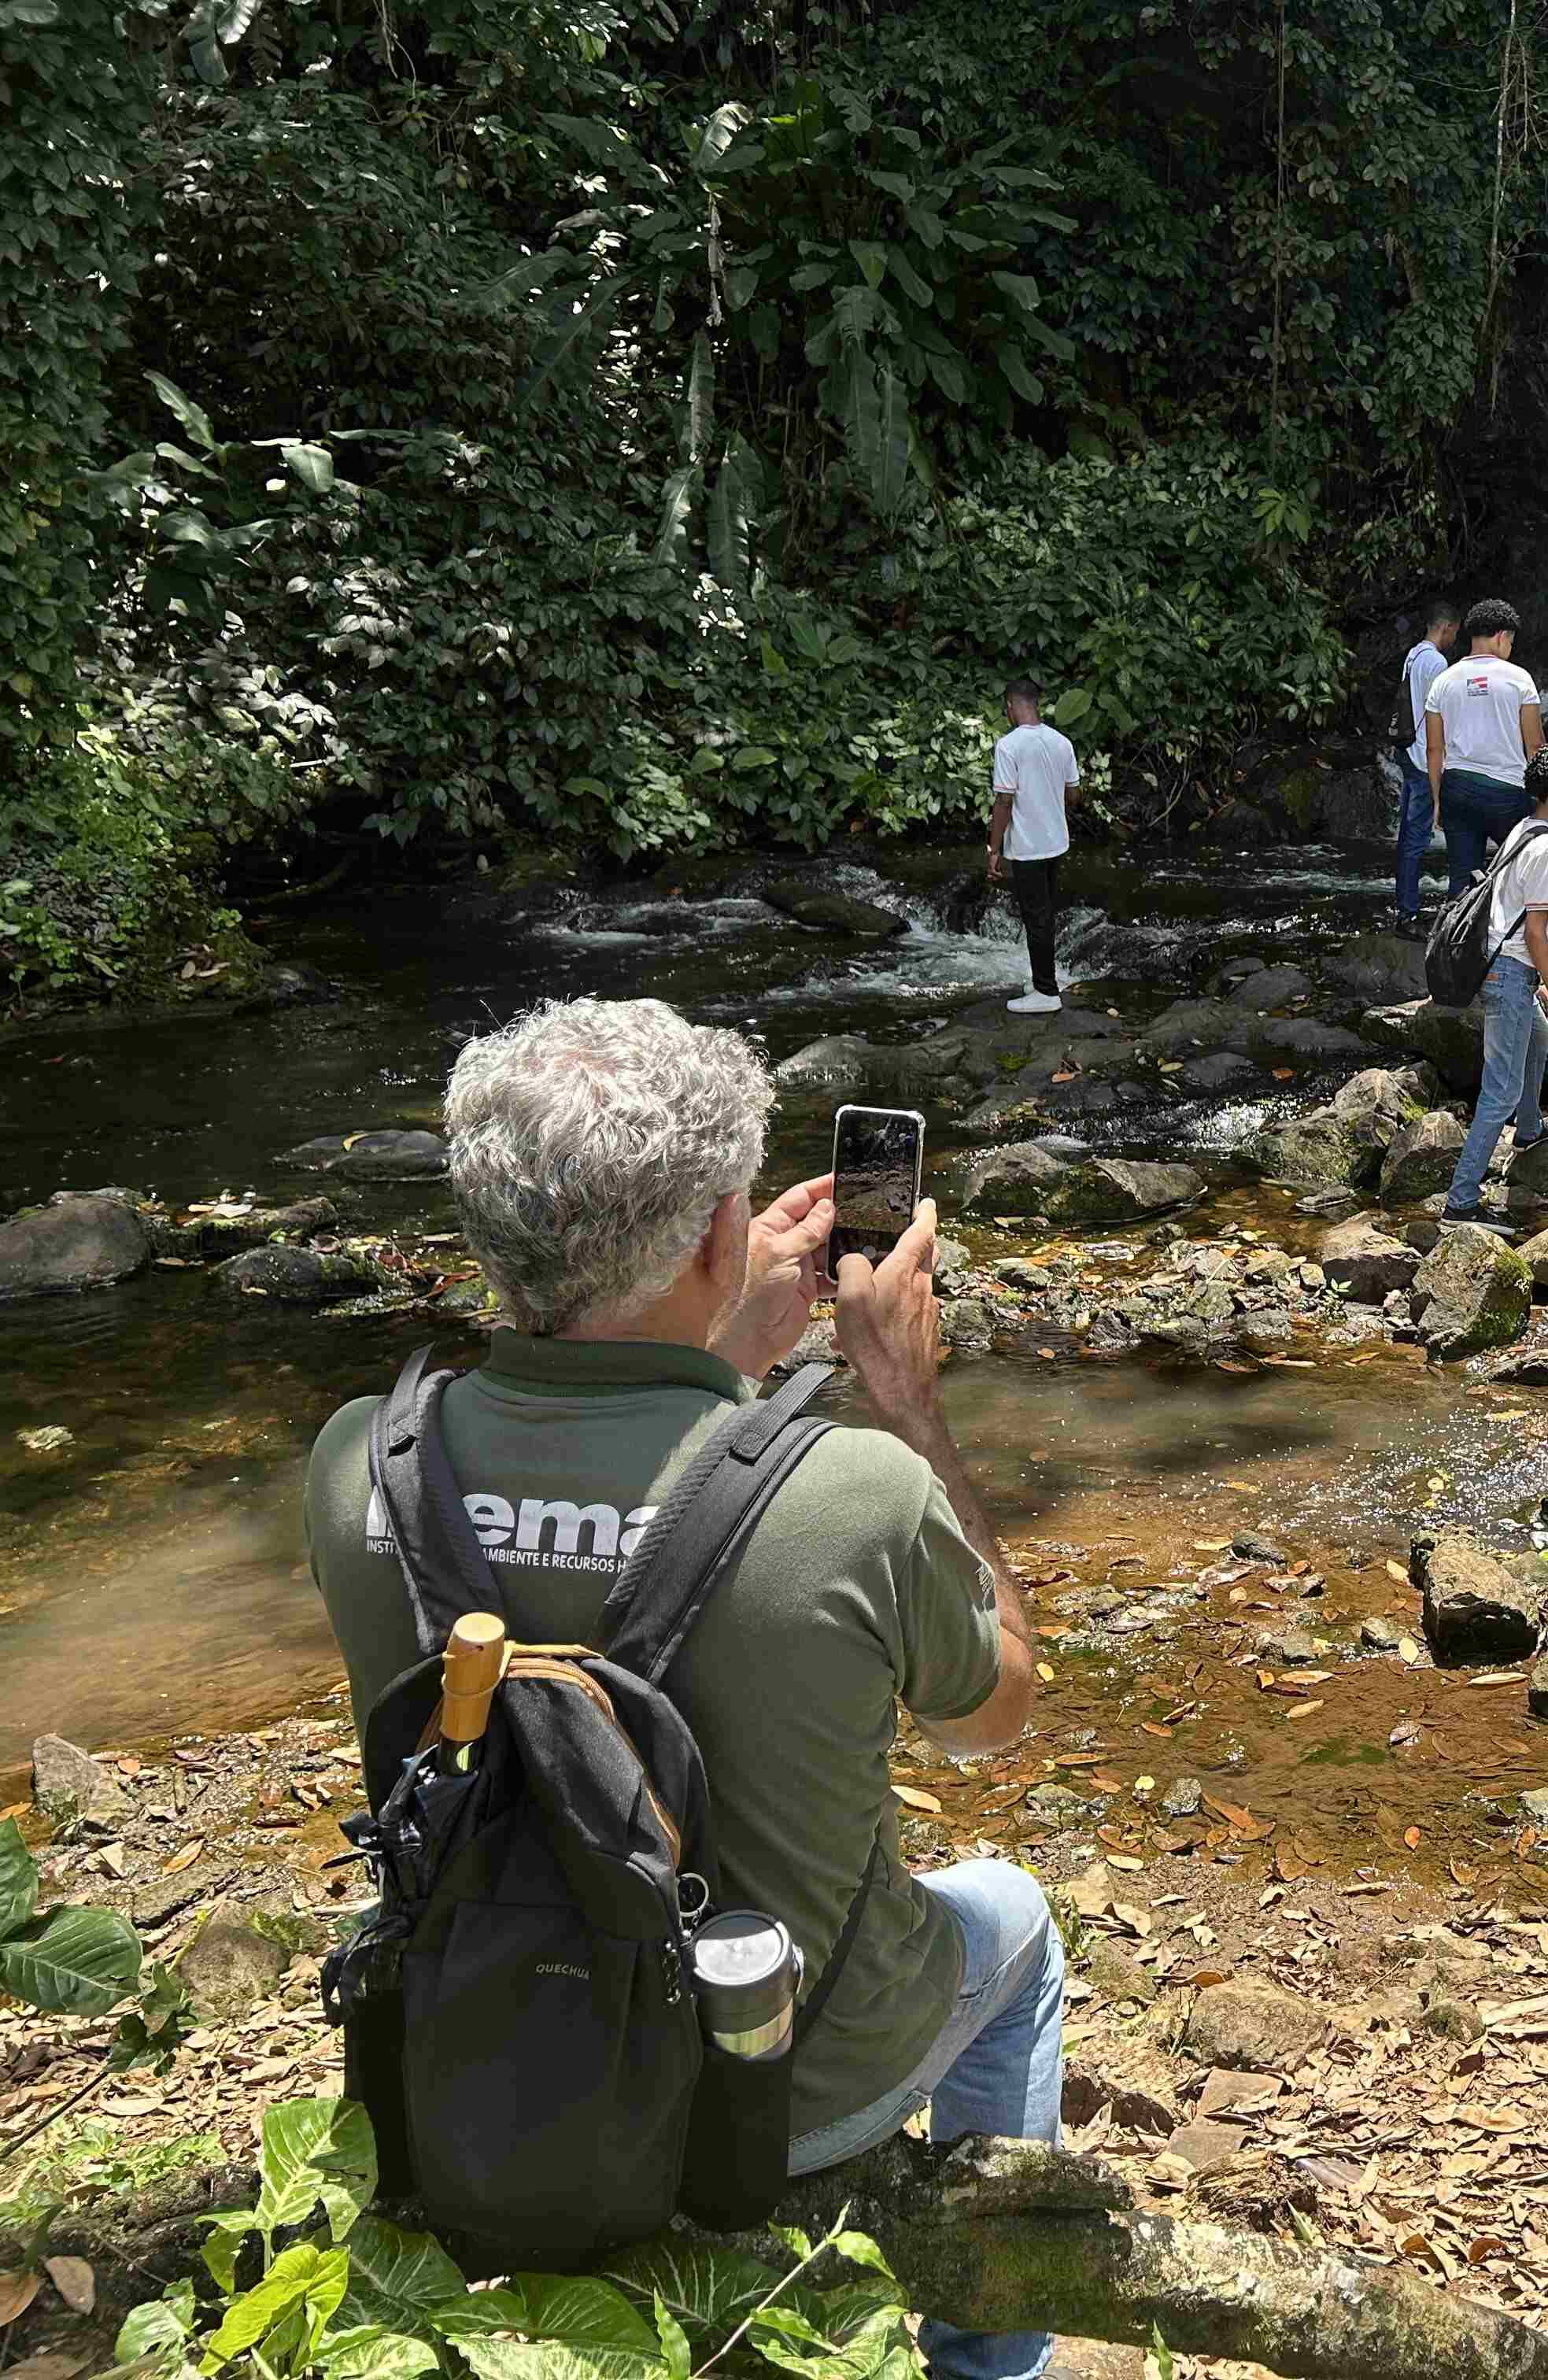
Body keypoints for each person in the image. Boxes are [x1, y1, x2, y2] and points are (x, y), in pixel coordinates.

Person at [304, 999, 1057, 2380]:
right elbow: (994, 1717)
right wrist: (905, 1400)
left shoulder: (364, 1462)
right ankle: (986, 2351)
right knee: (1017, 1914)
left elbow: (594, 1515)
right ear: (721, 1232)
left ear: (487, 1235)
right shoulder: (853, 1492)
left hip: (480, 2052)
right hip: (778, 2088)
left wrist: (714, 1352)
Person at [1443, 741, 1548, 1226]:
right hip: (1510, 972)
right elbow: (1533, 934)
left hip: (1502, 966)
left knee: (1540, 1037)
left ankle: (1528, 1130)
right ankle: (1461, 1201)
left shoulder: (1525, 830)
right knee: (1499, 1092)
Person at [1424, 599, 1546, 900]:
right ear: (1502, 636)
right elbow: (1535, 745)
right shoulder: (1520, 679)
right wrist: (1543, 800)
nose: (1511, 649)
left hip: (1458, 789)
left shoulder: (1443, 681)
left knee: (1462, 884)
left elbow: (1433, 750)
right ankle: (1513, 944)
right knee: (1523, 875)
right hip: (1506, 792)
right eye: (1511, 641)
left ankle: (1454, 944)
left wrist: (1439, 800)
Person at [987, 678, 1079, 1016]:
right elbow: (1074, 793)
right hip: (1056, 843)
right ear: (1036, 705)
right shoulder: (1061, 742)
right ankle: (1044, 981)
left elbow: (1003, 801)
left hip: (1026, 847)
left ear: (1011, 707)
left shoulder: (1009, 746)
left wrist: (993, 849)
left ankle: (1046, 992)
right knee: (1044, 916)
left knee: (1036, 918)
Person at [1391, 604, 1461, 931]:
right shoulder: (1436, 661)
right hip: (1423, 758)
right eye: (1454, 632)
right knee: (1416, 839)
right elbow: (1440, 713)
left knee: (1407, 837)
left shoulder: (1413, 655)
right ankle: (1408, 914)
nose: (1454, 638)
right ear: (1445, 627)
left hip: (1407, 750)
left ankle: (1406, 908)